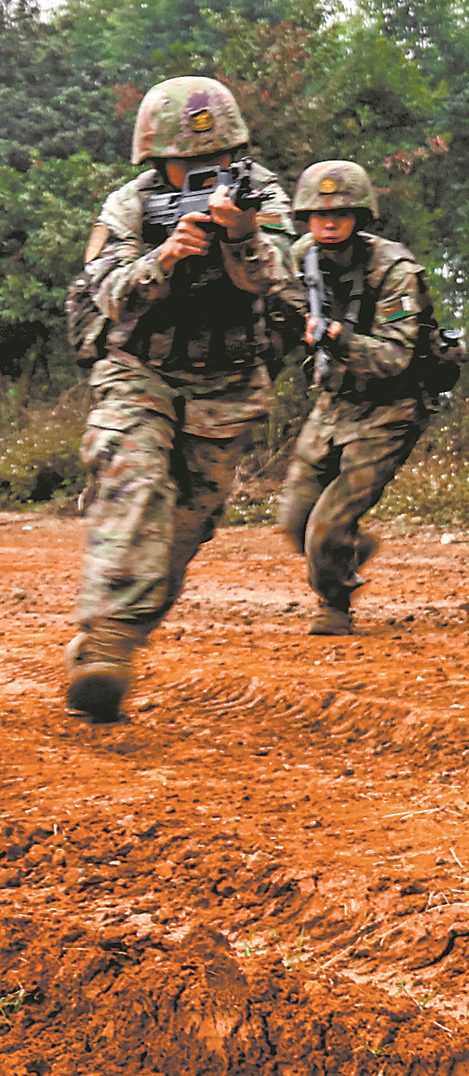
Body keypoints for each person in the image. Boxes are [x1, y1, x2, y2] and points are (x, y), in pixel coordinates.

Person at [69, 76, 296, 721]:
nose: (208, 174)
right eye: (189, 166)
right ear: (157, 160)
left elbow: (280, 280)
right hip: (139, 373)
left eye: (218, 162)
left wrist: (242, 235)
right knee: (136, 487)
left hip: (226, 384)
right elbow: (107, 296)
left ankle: (115, 638)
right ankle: (106, 650)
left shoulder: (263, 198)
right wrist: (164, 258)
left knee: (182, 531)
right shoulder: (129, 207)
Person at [276, 161, 436, 635]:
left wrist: (341, 336)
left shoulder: (394, 271)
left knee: (323, 529)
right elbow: (279, 310)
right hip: (333, 402)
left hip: (391, 407)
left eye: (341, 214)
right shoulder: (302, 257)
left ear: (361, 217)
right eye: (318, 214)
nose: (328, 223)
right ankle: (345, 550)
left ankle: (334, 603)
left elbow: (396, 357)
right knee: (294, 520)